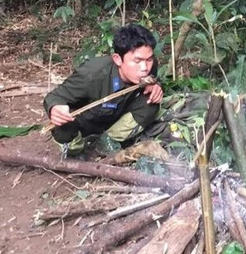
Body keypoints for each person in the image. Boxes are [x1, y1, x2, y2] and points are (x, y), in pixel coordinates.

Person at [43, 23, 163, 157]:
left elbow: (153, 78)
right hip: (86, 124)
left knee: (151, 102)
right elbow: (55, 97)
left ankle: (106, 143)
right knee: (62, 126)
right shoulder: (92, 74)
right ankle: (77, 151)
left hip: (115, 119)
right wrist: (55, 108)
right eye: (137, 61)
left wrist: (155, 85)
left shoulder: (150, 64)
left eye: (149, 59)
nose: (145, 68)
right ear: (118, 59)